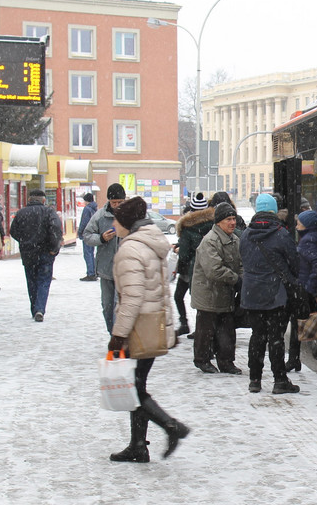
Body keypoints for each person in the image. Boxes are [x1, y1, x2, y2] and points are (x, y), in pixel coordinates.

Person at [106, 196, 190, 463]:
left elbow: (131, 298)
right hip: (152, 323)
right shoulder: (151, 244)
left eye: (116, 219)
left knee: (134, 388)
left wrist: (118, 335)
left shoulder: (130, 250)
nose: (113, 224)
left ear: (126, 222)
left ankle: (171, 426)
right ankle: (138, 446)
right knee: (136, 384)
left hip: (139, 327)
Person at [238, 193, 301, 394]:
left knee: (257, 336)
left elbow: (244, 260)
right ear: (274, 210)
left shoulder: (246, 234)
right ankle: (279, 380)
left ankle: (254, 380)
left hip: (251, 293)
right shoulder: (281, 234)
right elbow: (295, 262)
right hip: (276, 294)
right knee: (276, 337)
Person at [191, 202, 243, 375]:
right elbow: (214, 270)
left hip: (224, 293)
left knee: (227, 330)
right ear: (219, 222)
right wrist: (236, 280)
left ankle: (226, 362)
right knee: (205, 330)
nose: (232, 223)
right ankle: (202, 360)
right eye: (228, 219)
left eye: (234, 218)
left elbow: (240, 263)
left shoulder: (235, 239)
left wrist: (243, 277)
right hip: (208, 294)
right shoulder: (210, 241)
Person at [9, 189, 64, 322]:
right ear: (44, 200)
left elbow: (13, 231)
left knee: (32, 282)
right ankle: (40, 308)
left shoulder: (21, 213)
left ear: (29, 199)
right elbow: (55, 230)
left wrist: (24, 241)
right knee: (44, 281)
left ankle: (34, 308)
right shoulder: (49, 212)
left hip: (28, 253)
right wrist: (53, 248)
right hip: (45, 252)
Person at [287, 209, 317, 373]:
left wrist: (309, 288)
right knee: (298, 323)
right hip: (312, 287)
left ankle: (293, 359)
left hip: (306, 289)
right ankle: (293, 359)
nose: (296, 225)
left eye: (299, 222)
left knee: (296, 323)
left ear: (306, 225)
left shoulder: (307, 241)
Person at [83, 183, 127, 333]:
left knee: (120, 305)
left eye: (120, 202)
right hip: (106, 268)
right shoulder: (100, 215)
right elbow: (87, 235)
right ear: (108, 201)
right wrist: (101, 238)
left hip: (127, 269)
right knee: (108, 306)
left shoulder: (133, 215)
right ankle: (112, 333)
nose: (116, 206)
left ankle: (119, 338)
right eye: (113, 202)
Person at [172, 192, 210, 337]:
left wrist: (178, 249)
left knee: (179, 296)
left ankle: (185, 323)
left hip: (189, 270)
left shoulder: (187, 228)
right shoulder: (213, 225)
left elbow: (185, 254)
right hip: (207, 268)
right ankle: (201, 328)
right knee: (202, 302)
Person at [78, 192, 99, 281]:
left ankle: (91, 273)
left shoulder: (87, 209)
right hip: (94, 233)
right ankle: (94, 271)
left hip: (87, 233)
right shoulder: (95, 208)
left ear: (86, 201)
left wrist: (80, 232)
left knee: (88, 254)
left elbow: (84, 221)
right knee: (91, 253)